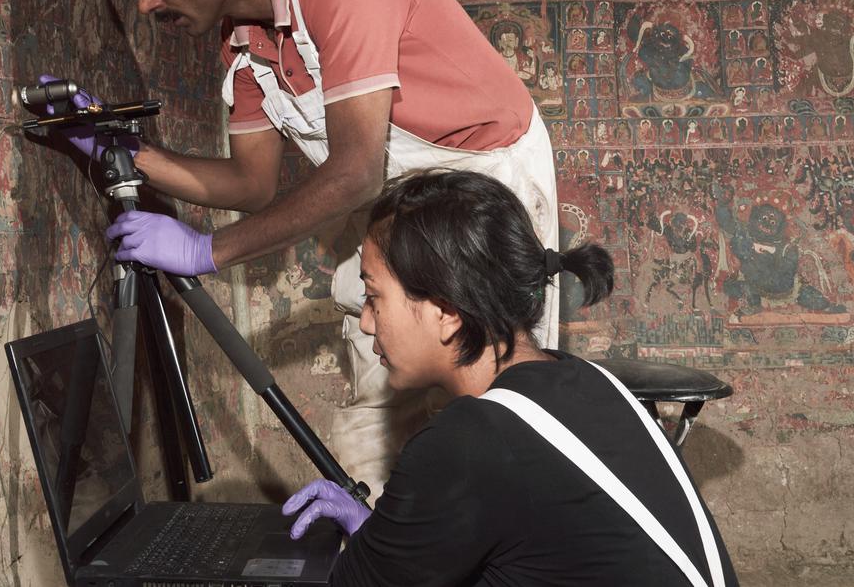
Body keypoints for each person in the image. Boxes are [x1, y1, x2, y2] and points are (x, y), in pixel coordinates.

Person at [50, 0, 558, 498]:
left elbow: (353, 173)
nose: (146, 2)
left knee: (491, 402)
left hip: (486, 179)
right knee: (379, 405)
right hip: (394, 198)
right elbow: (249, 183)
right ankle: (379, 546)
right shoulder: (243, 43)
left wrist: (206, 251)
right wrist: (121, 153)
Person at [283, 169, 739, 587]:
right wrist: (383, 537)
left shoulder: (468, 440)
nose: (366, 322)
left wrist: (366, 548)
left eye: (374, 296)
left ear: (444, 312)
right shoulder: (588, 379)